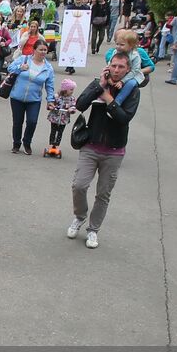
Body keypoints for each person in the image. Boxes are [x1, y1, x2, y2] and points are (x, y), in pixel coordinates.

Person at [67, 56, 139, 249]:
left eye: (121, 67)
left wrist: (108, 98)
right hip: (91, 146)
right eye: (113, 65)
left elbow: (124, 118)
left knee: (103, 194)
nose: (116, 70)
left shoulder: (131, 90)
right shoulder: (98, 84)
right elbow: (80, 105)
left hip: (114, 150)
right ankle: (80, 216)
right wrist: (98, 87)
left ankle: (93, 230)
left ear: (127, 70)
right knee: (79, 185)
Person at [5, 43, 55, 155]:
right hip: (17, 97)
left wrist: (50, 100)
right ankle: (16, 144)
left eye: (45, 50)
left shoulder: (48, 67)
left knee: (32, 122)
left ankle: (27, 142)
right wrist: (20, 68)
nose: (43, 52)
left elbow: (49, 85)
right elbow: (10, 68)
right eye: (40, 49)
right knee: (17, 122)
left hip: (34, 99)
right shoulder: (24, 59)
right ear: (34, 50)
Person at [44, 78, 76, 158]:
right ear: (65, 90)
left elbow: (74, 106)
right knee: (53, 131)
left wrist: (71, 110)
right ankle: (51, 145)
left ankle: (57, 146)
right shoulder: (57, 97)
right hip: (55, 117)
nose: (72, 91)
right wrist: (51, 106)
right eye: (71, 89)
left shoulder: (71, 99)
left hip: (64, 118)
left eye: (72, 89)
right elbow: (50, 104)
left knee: (60, 132)